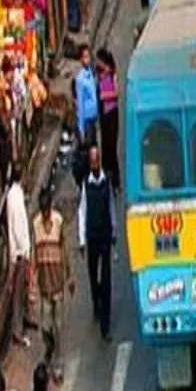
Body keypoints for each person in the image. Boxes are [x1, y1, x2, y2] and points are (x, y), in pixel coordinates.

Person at [32, 186, 76, 378]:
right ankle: (49, 348)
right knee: (45, 325)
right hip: (43, 284)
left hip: (57, 282)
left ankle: (58, 362)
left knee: (57, 325)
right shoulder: (35, 225)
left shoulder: (58, 222)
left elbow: (64, 250)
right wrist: (32, 282)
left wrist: (70, 276)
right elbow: (34, 253)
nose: (45, 214)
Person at [78, 145, 117, 341]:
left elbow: (111, 205)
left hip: (104, 235)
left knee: (107, 278)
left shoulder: (106, 181)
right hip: (92, 237)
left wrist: (114, 231)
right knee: (93, 275)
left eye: (96, 161)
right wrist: (82, 240)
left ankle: (105, 325)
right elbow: (82, 212)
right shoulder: (86, 184)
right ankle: (96, 302)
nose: (94, 165)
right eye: (91, 162)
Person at [6, 174, 34, 348]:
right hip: (19, 253)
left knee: (22, 290)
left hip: (18, 252)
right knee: (17, 294)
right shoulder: (15, 198)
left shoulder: (14, 195)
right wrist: (25, 252)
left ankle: (24, 320)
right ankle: (17, 332)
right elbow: (18, 229)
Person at [97, 51, 121, 186]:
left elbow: (116, 93)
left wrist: (104, 96)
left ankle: (115, 181)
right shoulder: (99, 76)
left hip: (112, 114)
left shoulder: (112, 75)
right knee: (105, 148)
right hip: (104, 115)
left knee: (112, 148)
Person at [74, 45, 99, 149]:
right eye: (85, 57)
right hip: (87, 120)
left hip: (94, 117)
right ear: (80, 59)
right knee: (90, 149)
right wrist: (81, 128)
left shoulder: (90, 73)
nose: (87, 59)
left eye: (88, 56)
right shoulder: (80, 79)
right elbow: (80, 104)